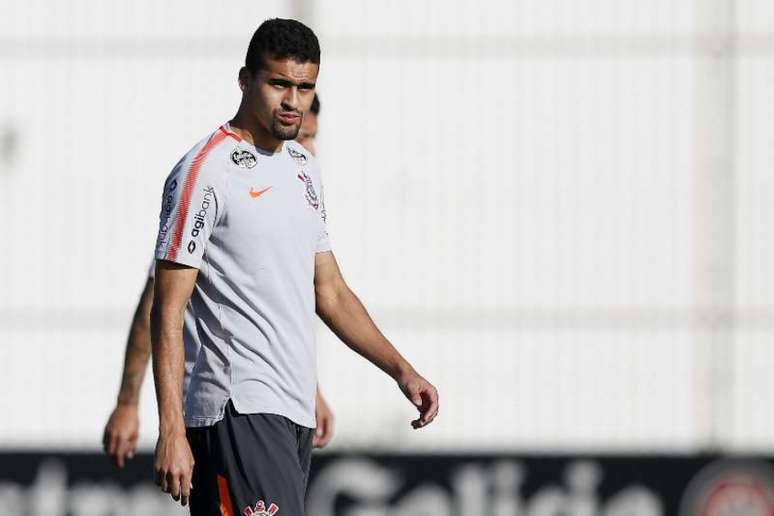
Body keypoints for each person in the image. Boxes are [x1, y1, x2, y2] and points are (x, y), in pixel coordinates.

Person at [150, 18, 439, 515]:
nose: (292, 100)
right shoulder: (205, 172)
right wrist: (171, 428)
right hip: (236, 407)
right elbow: (166, 309)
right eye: (279, 83)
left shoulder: (302, 169)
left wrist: (401, 370)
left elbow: (329, 290)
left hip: (291, 409)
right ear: (246, 80)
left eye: (305, 87)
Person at [102, 91, 334, 468]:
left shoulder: (296, 190)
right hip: (222, 404)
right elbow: (156, 306)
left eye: (312, 138)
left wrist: (312, 391)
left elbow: (280, 309)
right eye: (303, 137)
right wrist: (129, 403)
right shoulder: (218, 184)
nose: (307, 147)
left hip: (280, 405)